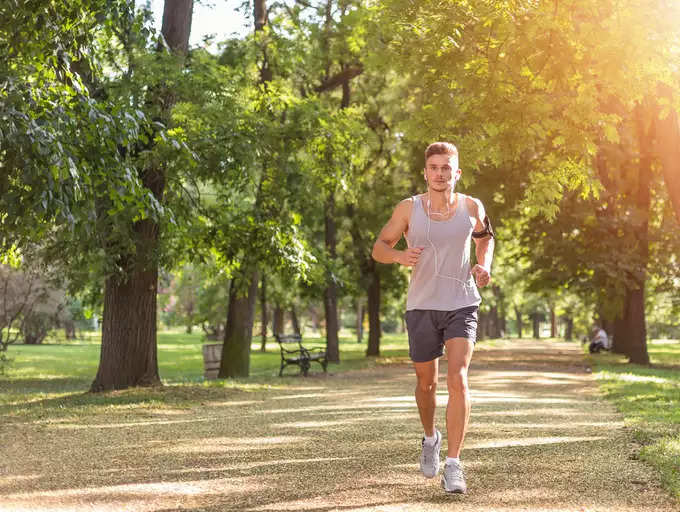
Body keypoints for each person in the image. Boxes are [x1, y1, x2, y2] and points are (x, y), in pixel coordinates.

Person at [371, 142, 495, 494]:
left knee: (458, 378)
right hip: (422, 306)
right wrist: (399, 257)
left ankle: (453, 465)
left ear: (457, 173)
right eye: (434, 168)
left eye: (446, 168)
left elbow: (486, 239)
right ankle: (430, 438)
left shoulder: (472, 207)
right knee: (426, 385)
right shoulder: (408, 208)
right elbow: (379, 247)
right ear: (426, 173)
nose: (440, 174)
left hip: (462, 302)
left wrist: (483, 266)